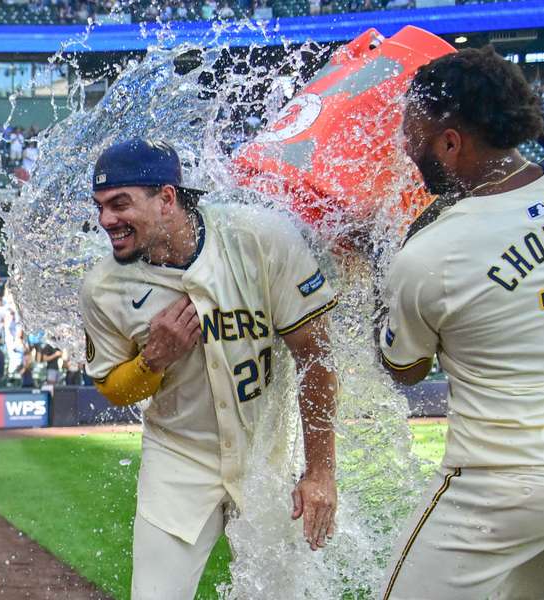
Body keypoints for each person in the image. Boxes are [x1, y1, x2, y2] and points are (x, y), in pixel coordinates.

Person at [376, 47, 544, 600]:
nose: (406, 149)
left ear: (451, 143)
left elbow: (403, 368)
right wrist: (509, 110)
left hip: (506, 483)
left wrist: (375, 278)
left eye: (414, 134)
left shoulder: (433, 253)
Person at [79, 139, 339, 599]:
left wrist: (320, 472)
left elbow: (316, 355)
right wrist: (152, 360)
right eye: (100, 207)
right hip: (179, 456)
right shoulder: (103, 287)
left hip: (266, 456)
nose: (106, 221)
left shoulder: (259, 237)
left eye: (120, 204)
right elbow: (113, 389)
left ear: (167, 198)